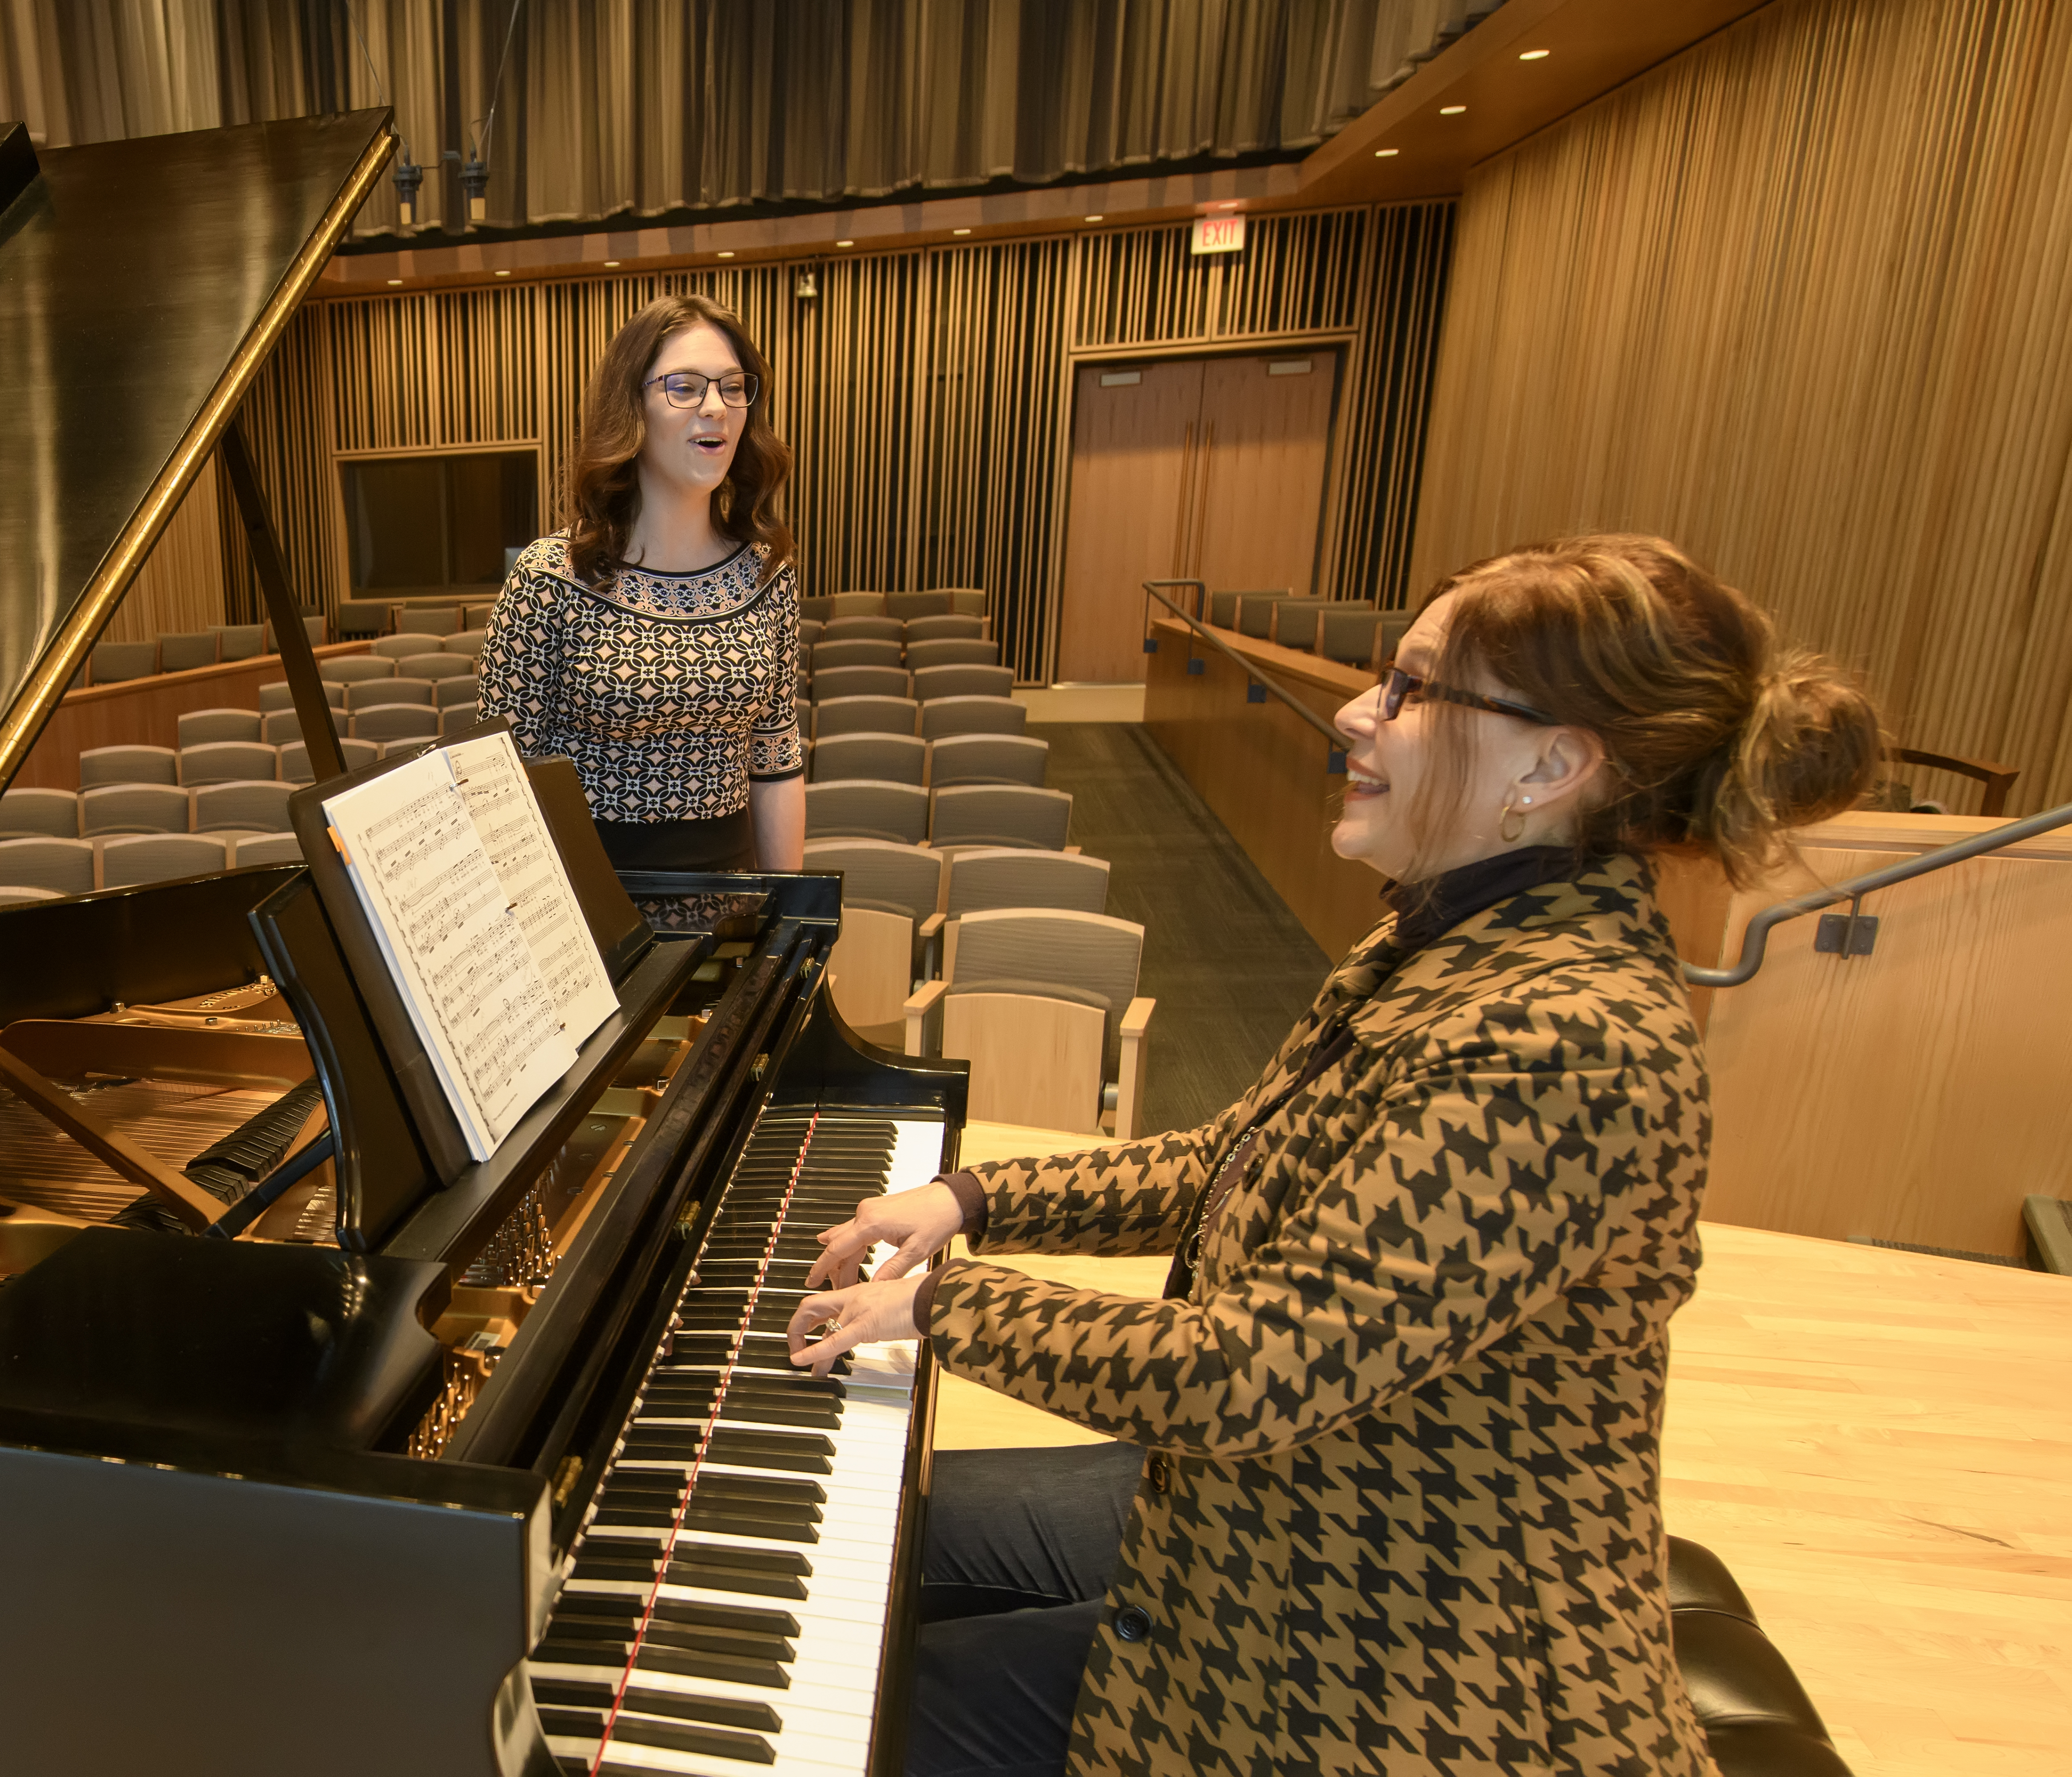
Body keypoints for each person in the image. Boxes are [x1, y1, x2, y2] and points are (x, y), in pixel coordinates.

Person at [785, 536, 1882, 1777]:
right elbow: (1231, 1163)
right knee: (852, 1535)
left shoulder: (1563, 1041)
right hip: (1303, 1509)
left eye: (1417, 691)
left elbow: (1251, 1373)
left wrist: (944, 1303)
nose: (1361, 712)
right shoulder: (1454, 941)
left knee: (854, 1722)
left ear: (1554, 765)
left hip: (1403, 1658)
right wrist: (971, 1194)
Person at [478, 295, 804, 873]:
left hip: (730, 907)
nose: (716, 408)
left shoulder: (766, 575)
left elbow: (776, 762)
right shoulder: (547, 578)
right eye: (685, 387)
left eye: (734, 387)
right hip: (591, 905)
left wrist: (789, 927)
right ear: (633, 406)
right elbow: (498, 785)